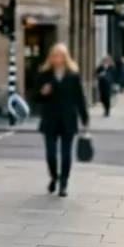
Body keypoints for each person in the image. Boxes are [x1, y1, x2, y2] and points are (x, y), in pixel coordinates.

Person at [33, 43, 90, 197]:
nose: (57, 59)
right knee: (51, 153)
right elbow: (35, 97)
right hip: (50, 118)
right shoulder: (44, 74)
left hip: (68, 119)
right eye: (54, 56)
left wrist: (85, 119)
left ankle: (64, 183)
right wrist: (42, 93)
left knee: (66, 153)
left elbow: (79, 98)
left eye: (59, 56)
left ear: (65, 58)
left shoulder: (73, 75)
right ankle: (54, 177)